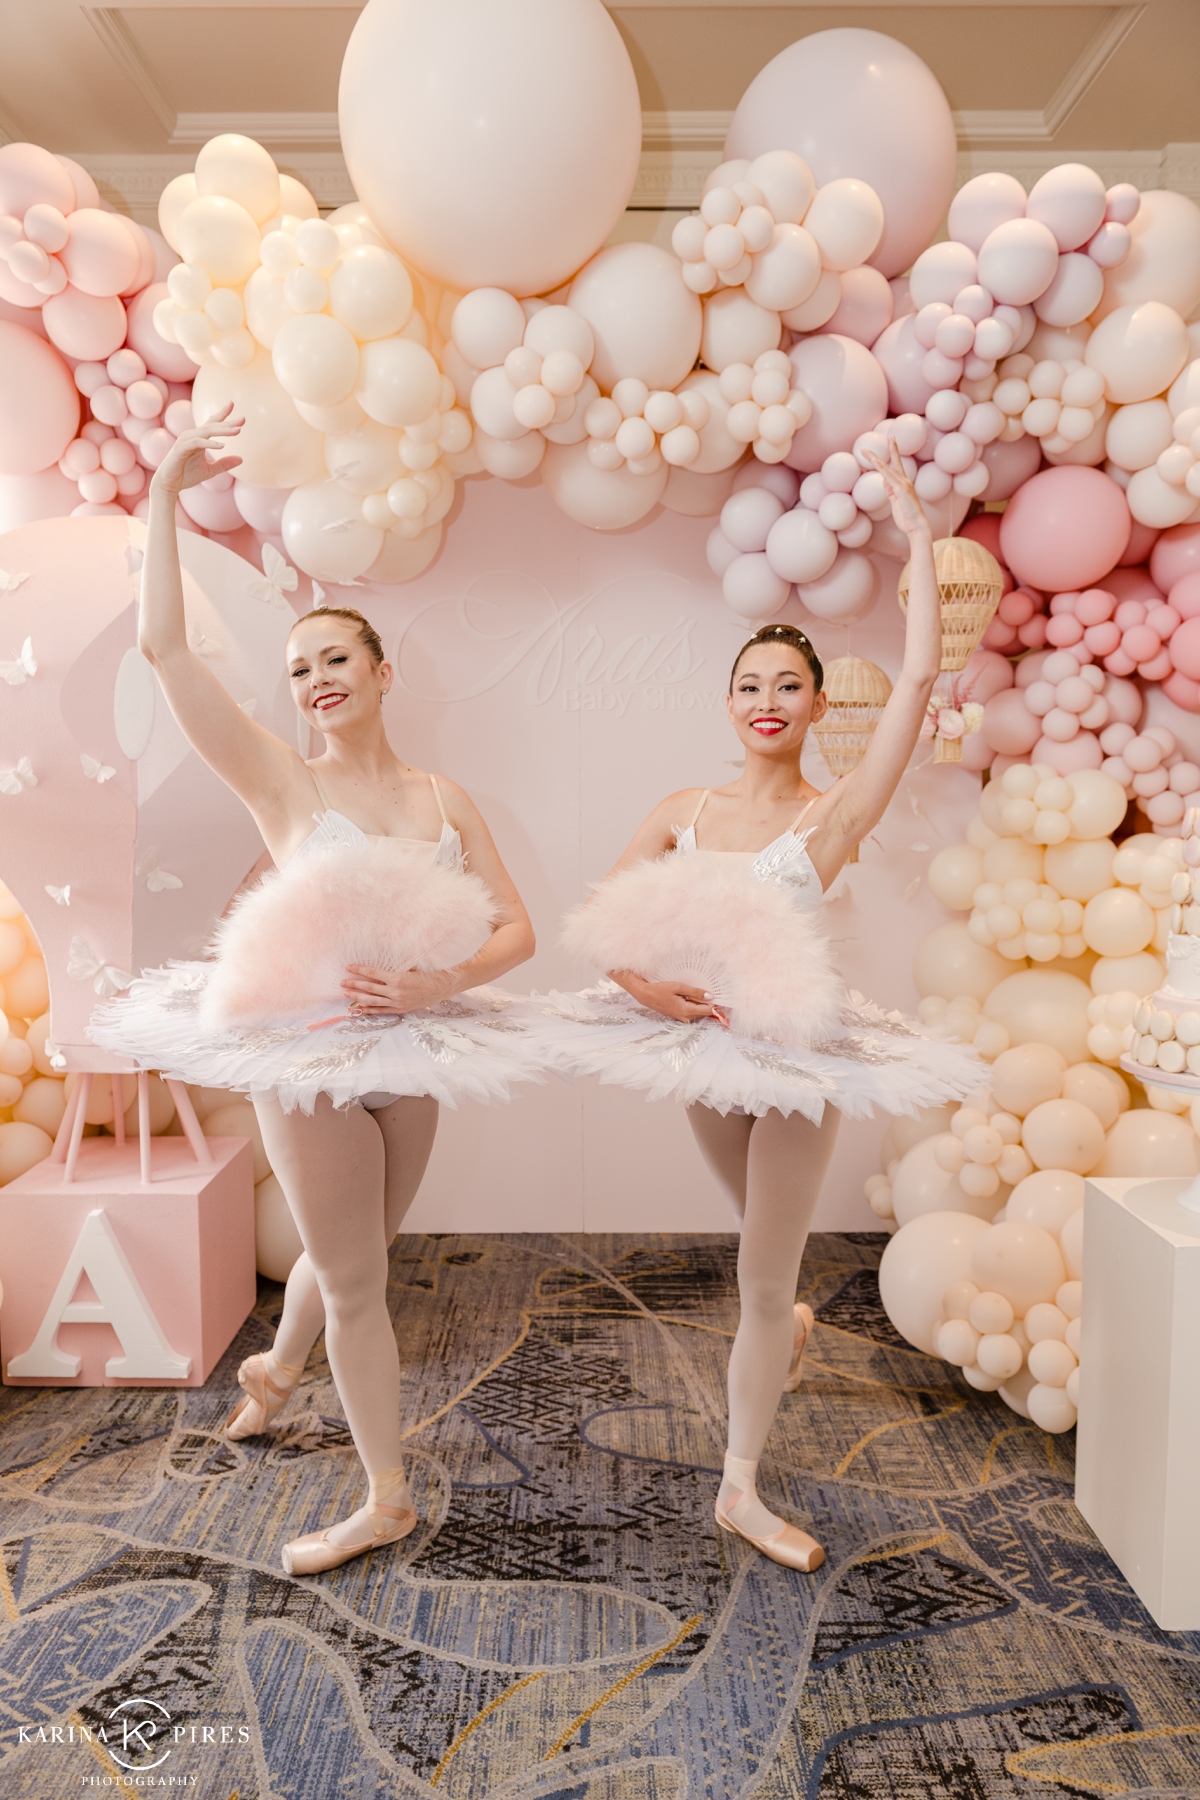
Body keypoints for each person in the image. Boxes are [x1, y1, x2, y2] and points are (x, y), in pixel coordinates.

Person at [92, 406, 539, 1576]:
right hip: (311, 1059)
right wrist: (164, 492)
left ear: (384, 672)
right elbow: (168, 656)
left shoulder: (445, 799)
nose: (315, 679)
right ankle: (385, 1494)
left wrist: (437, 981)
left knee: (360, 1264)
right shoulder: (284, 788)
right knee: (351, 1283)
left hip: (414, 1055)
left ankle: (278, 1373)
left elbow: (518, 929)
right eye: (298, 670)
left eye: (335, 658)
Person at [526, 445, 979, 1573]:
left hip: (792, 1063)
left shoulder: (830, 818)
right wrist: (650, 990)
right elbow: (606, 918)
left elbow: (918, 686)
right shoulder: (683, 807)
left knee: (762, 1279)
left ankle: (739, 1488)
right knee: (756, 1248)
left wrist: (919, 540)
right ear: (728, 705)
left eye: (788, 684)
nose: (768, 701)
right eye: (750, 685)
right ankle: (787, 1325)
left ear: (817, 703)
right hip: (697, 1059)